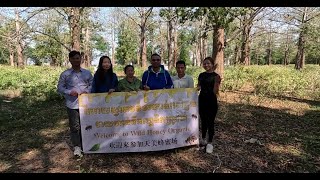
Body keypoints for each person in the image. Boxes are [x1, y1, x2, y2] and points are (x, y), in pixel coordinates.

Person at [57, 50, 93, 157]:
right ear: (70, 60)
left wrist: (87, 91)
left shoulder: (87, 73)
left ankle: (86, 145)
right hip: (72, 104)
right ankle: (77, 147)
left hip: (86, 104)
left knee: (87, 125)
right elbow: (60, 87)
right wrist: (69, 92)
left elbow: (92, 84)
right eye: (74, 58)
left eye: (78, 58)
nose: (76, 60)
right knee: (75, 126)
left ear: (81, 59)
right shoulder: (65, 74)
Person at [197, 57, 221, 154]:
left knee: (210, 121)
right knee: (203, 121)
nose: (206, 65)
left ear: (212, 64)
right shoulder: (201, 75)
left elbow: (215, 91)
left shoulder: (216, 76)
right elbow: (198, 86)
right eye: (205, 63)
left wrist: (217, 83)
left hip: (211, 101)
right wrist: (196, 88)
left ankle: (210, 142)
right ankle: (203, 140)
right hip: (202, 100)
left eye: (208, 63)